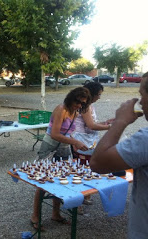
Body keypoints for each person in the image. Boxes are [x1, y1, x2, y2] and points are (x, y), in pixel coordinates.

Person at [90, 72, 147, 239]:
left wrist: (120, 121)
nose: (141, 102)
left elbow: (98, 163)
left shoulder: (145, 140)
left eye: (142, 95)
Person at [31, 87, 91, 230]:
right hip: (50, 146)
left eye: (83, 103)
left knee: (60, 180)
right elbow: (55, 134)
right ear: (71, 98)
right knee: (43, 183)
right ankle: (35, 216)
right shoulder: (61, 109)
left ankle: (55, 213)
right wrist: (75, 142)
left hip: (64, 148)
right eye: (78, 102)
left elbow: (68, 133)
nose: (79, 105)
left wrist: (74, 145)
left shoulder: (75, 112)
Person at [71, 82, 114, 209]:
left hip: (87, 139)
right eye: (99, 95)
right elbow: (91, 125)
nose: (99, 97)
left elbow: (92, 124)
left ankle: (84, 195)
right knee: (81, 168)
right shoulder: (85, 106)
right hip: (80, 139)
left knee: (86, 168)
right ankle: (78, 199)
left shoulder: (90, 106)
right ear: (92, 94)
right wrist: (110, 127)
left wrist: (106, 122)